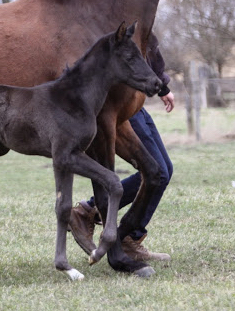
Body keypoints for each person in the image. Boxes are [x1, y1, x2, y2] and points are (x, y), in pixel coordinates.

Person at [68, 33, 174, 261]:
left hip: (137, 102)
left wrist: (162, 86)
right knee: (159, 172)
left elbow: (148, 46)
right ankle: (128, 239)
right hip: (119, 103)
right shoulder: (116, 18)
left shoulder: (139, 19)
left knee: (165, 170)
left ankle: (88, 211)